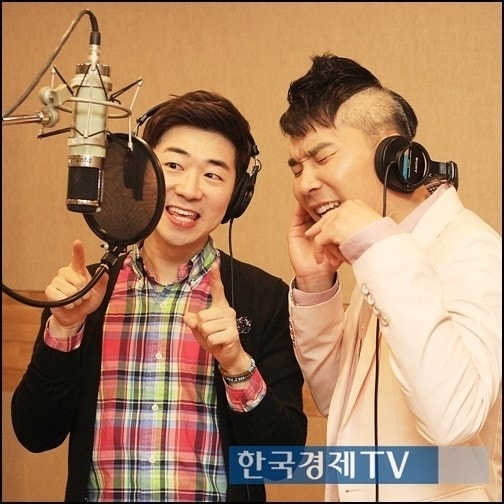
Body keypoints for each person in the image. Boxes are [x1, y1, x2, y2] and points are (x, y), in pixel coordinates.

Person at [11, 90, 307, 502]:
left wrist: (236, 365)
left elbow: (281, 462)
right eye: (173, 165)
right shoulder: (85, 292)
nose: (189, 189)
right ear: (142, 173)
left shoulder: (265, 298)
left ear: (238, 195)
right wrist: (64, 328)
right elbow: (35, 434)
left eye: (213, 175)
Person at [279, 53, 501, 501]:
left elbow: (453, 419)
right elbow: (335, 399)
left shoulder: (473, 250)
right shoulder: (385, 252)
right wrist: (317, 285)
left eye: (322, 157)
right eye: (298, 168)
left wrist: (379, 249)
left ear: (393, 155)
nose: (305, 184)